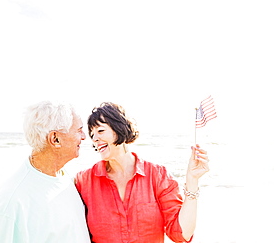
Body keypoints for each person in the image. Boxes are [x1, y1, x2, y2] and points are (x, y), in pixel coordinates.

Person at [75, 102, 210, 243]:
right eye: (92, 134)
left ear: (119, 128)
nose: (95, 138)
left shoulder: (157, 175)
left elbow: (182, 234)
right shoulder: (83, 181)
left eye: (100, 131)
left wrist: (192, 180)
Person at [0, 101, 91, 243]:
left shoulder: (66, 179)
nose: (84, 136)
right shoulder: (11, 203)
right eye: (79, 130)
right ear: (55, 139)